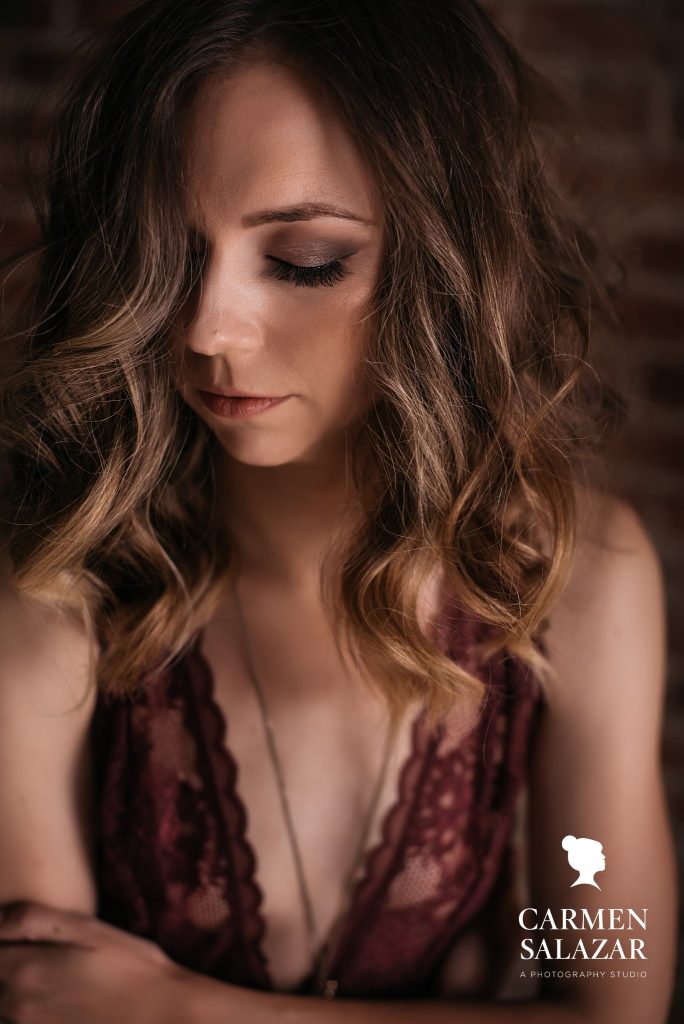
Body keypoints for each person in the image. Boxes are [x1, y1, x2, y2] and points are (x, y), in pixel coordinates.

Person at [0, 0, 677, 1021]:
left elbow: (612, 1005)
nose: (206, 326)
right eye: (173, 253)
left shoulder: (578, 578)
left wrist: (181, 1008)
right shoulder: (60, 586)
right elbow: (46, 1000)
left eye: (305, 258)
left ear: (442, 266)